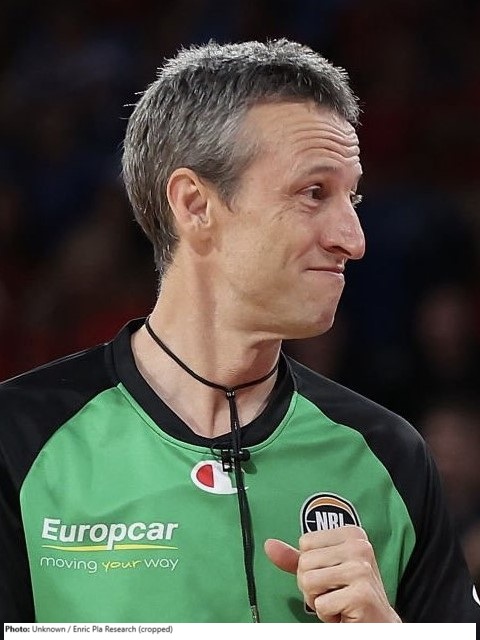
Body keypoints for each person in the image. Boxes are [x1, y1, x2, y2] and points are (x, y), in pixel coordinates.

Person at [1, 39, 479, 625]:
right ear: (195, 204)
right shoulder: (19, 440)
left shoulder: (388, 455)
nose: (353, 240)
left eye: (351, 197)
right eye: (314, 193)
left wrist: (389, 634)